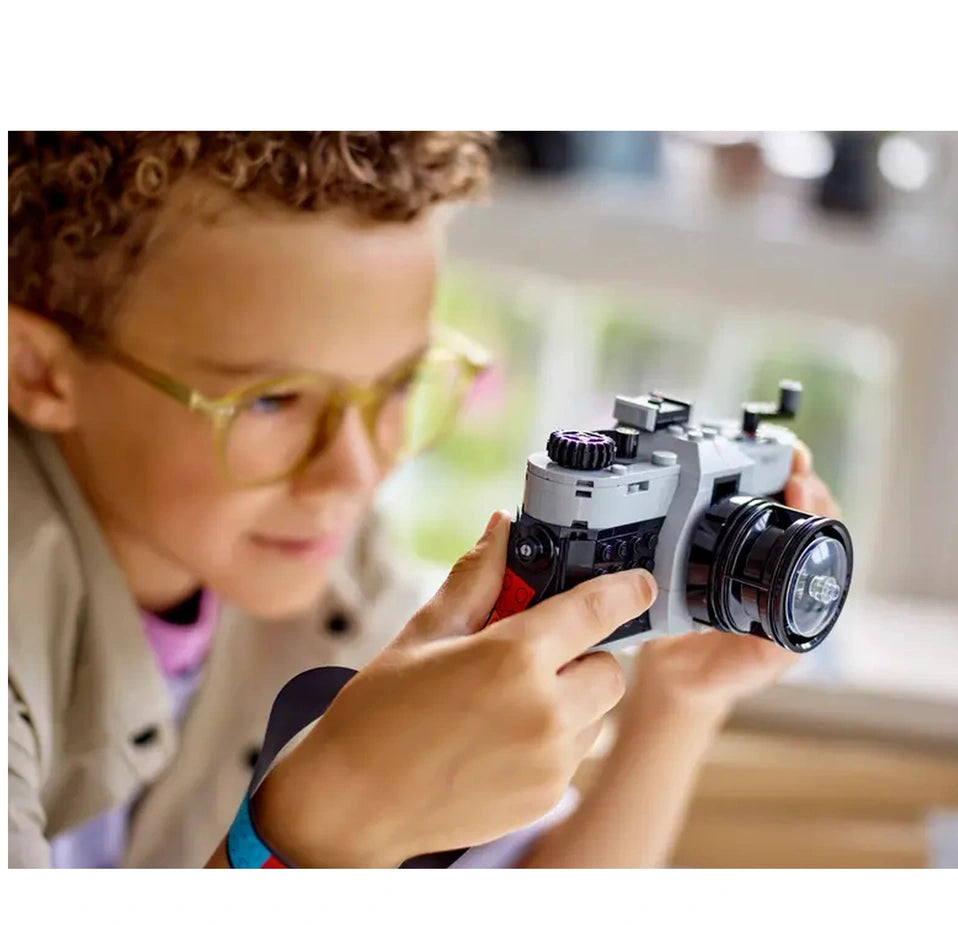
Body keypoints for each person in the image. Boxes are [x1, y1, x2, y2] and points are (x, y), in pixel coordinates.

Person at [8, 131, 840, 868]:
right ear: (40, 372)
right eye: (268, 401)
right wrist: (315, 835)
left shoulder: (322, 563)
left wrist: (677, 702)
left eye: (398, 385)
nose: (356, 472)